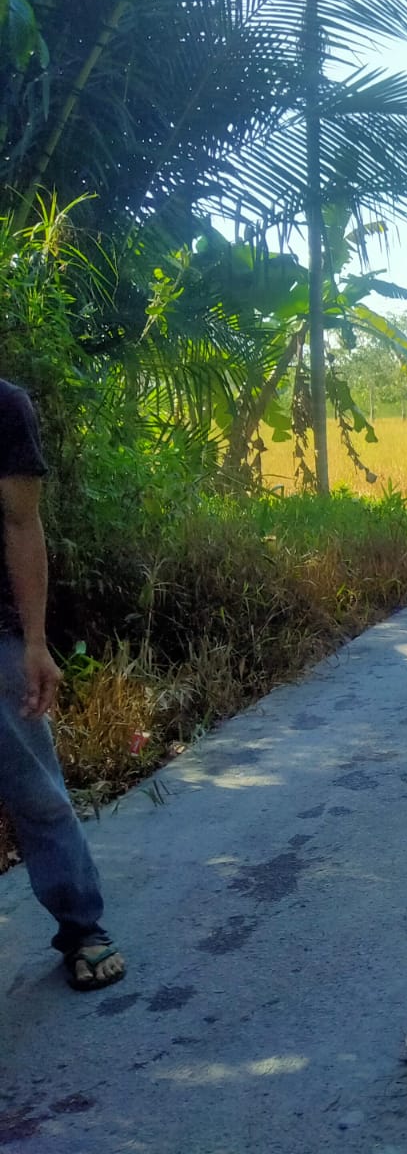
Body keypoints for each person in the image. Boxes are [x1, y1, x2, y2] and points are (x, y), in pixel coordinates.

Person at [0, 378, 126, 991]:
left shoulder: (5, 405)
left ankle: (82, 927)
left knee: (37, 792)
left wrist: (32, 640)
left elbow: (22, 524)